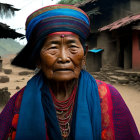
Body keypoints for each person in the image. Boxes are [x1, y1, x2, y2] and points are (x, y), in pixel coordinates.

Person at [0, 4, 139, 140]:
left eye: (72, 47)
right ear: (37, 58)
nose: (64, 58)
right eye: (53, 48)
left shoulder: (109, 97)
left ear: (84, 54)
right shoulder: (19, 102)